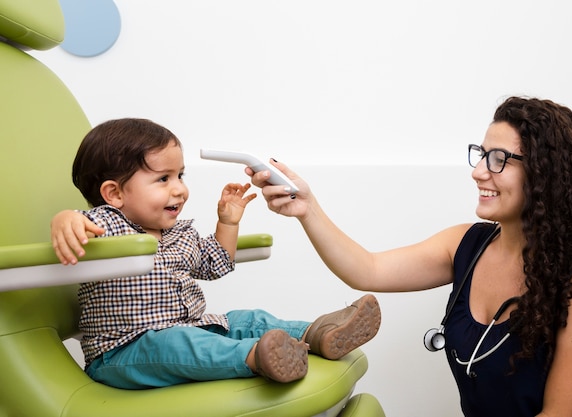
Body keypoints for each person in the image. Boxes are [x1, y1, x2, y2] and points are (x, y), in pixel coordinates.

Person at [248, 96, 572, 417]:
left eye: (498, 159)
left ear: (545, 173)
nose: (479, 172)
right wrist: (307, 208)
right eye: (480, 155)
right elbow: (368, 269)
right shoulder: (467, 244)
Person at [50, 118, 381, 389]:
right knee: (180, 344)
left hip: (189, 326)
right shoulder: (106, 225)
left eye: (180, 175)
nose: (179, 188)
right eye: (163, 179)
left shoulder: (179, 233)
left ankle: (319, 335)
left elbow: (214, 263)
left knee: (247, 319)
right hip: (124, 353)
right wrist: (66, 220)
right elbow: (79, 224)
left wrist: (228, 222)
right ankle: (257, 357)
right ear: (115, 193)